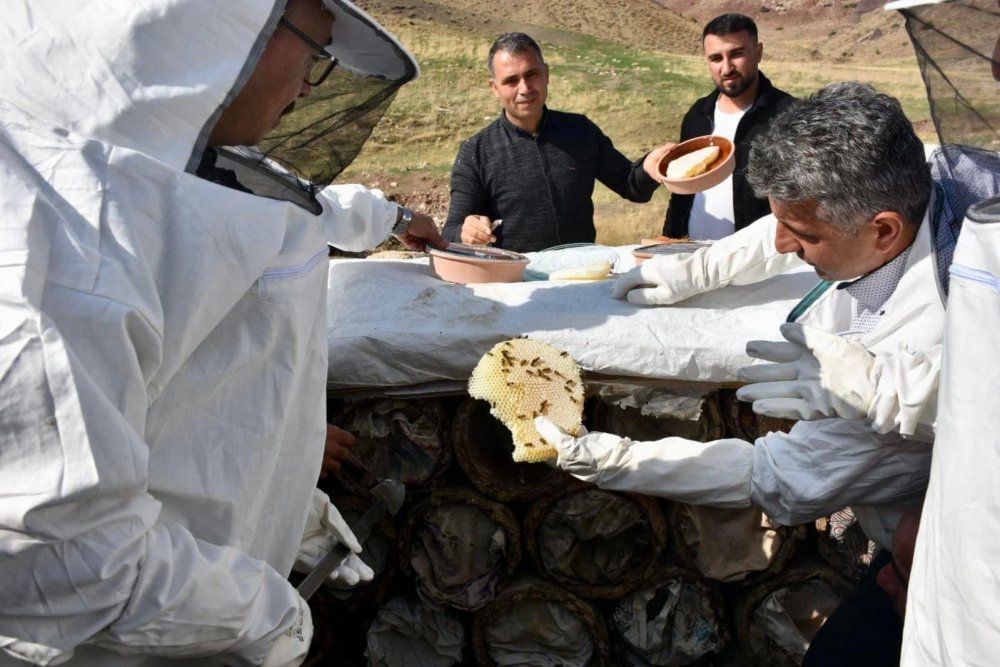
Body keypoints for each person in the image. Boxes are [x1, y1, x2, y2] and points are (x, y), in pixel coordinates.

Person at [0, 1, 441, 665]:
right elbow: (69, 555)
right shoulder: (56, 246)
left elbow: (185, 398)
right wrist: (265, 615)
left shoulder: (159, 171)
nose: (308, 85)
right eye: (311, 51)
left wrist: (281, 493)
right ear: (224, 23)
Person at [540, 82, 946, 666]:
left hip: (953, 556)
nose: (784, 244)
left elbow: (774, 474)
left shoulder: (928, 343)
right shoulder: (913, 170)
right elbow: (790, 218)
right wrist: (697, 270)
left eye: (806, 239)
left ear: (882, 231)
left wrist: (615, 459)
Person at [441, 32, 674, 253]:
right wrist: (467, 231)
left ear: (546, 74)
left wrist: (650, 168)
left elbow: (631, 185)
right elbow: (451, 231)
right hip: (517, 285)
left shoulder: (580, 130)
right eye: (511, 81)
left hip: (582, 276)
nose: (525, 89)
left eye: (531, 74)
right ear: (494, 88)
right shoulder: (477, 151)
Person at [662, 13, 796, 241]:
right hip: (693, 257)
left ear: (758, 52)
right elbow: (682, 193)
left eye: (736, 54)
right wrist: (669, 239)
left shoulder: (790, 115)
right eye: (715, 58)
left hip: (759, 264)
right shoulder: (698, 114)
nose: (726, 68)